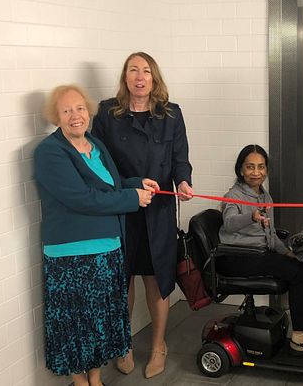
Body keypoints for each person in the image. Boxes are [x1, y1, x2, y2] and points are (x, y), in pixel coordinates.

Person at [34, 85, 158, 386]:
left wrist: (135, 183)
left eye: (79, 108)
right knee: (75, 325)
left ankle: (96, 378)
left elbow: (109, 186)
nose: (75, 116)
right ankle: (80, 382)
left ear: (88, 111)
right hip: (72, 256)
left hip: (108, 249)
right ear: (56, 117)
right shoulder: (50, 152)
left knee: (100, 321)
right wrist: (132, 199)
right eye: (66, 111)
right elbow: (82, 198)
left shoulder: (95, 145)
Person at [91, 52, 193, 379]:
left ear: (154, 78)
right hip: (122, 206)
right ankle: (124, 345)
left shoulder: (171, 115)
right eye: (133, 70)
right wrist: (128, 187)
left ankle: (159, 345)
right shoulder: (107, 114)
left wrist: (183, 182)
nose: (139, 76)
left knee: (156, 280)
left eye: (145, 71)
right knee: (123, 280)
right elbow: (101, 165)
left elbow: (180, 159)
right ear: (125, 78)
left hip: (159, 209)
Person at [218, 144, 303, 356]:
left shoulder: (266, 198)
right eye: (250, 167)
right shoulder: (233, 196)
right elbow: (229, 223)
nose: (256, 172)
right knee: (299, 274)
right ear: (241, 170)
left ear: (266, 170)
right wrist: (250, 216)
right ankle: (299, 339)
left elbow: (271, 235)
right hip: (237, 257)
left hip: (259, 254)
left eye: (261, 167)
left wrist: (287, 252)